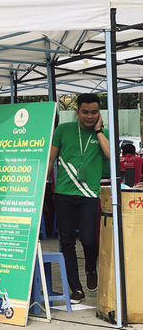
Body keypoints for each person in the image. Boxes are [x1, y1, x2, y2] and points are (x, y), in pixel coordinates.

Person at [48, 93, 109, 303]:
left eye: (94, 112)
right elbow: (50, 159)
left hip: (89, 195)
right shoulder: (63, 130)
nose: (89, 116)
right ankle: (76, 288)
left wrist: (99, 131)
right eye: (85, 112)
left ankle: (91, 268)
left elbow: (111, 155)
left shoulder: (102, 133)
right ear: (77, 112)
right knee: (66, 241)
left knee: (89, 239)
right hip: (64, 193)